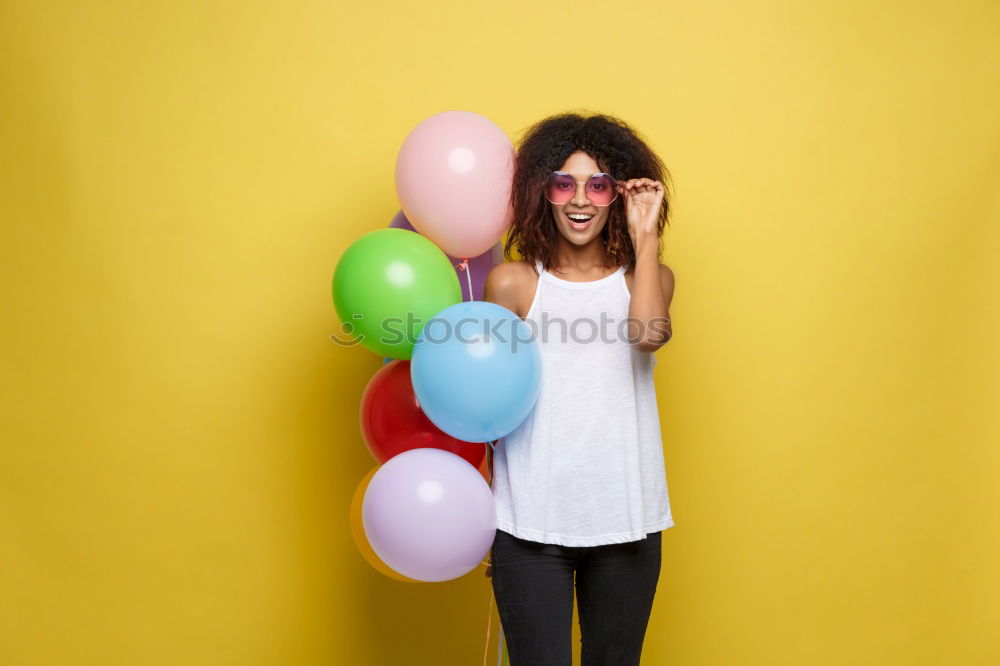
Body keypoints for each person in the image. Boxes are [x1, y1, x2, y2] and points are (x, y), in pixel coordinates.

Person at [482, 112, 676, 665]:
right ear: (541, 191)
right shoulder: (514, 284)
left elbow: (646, 336)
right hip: (527, 522)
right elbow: (488, 397)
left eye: (598, 185)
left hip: (628, 521)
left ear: (618, 194)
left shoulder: (652, 279)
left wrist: (644, 236)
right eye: (563, 183)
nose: (580, 200)